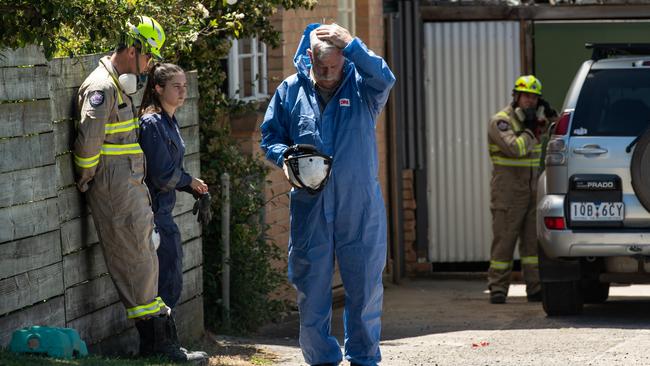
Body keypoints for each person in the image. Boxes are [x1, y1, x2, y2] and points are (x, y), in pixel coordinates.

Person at [72, 16, 207, 363]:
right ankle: (157, 346)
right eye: (148, 58)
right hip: (115, 191)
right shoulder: (102, 86)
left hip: (129, 189)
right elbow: (89, 141)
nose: (149, 68)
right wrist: (88, 177)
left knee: (145, 261)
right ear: (133, 50)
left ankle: (161, 343)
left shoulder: (119, 84)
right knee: (136, 264)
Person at [260, 23, 395, 366]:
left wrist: (352, 45)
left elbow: (385, 77)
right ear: (309, 58)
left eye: (335, 67)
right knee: (312, 289)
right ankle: (321, 358)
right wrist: (285, 158)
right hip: (311, 205)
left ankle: (364, 357)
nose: (328, 74)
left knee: (364, 286)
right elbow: (271, 137)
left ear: (344, 60)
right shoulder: (290, 91)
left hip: (358, 204)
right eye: (321, 68)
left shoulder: (364, 88)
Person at [139, 63, 210, 309]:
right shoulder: (152, 124)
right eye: (176, 86)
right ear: (158, 88)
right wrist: (188, 181)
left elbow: (169, 170)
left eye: (184, 86)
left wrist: (193, 187)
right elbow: (160, 175)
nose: (182, 92)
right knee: (166, 280)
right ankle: (164, 343)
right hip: (153, 215)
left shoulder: (169, 120)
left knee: (171, 276)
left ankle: (167, 340)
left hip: (164, 211)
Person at [487, 75, 557, 304]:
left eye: (535, 98)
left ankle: (534, 288)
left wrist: (550, 115)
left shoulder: (534, 123)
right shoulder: (501, 122)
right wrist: (530, 131)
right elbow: (514, 149)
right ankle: (498, 289)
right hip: (507, 194)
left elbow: (556, 131)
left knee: (531, 246)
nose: (530, 101)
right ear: (516, 96)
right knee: (504, 244)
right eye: (526, 96)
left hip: (531, 192)